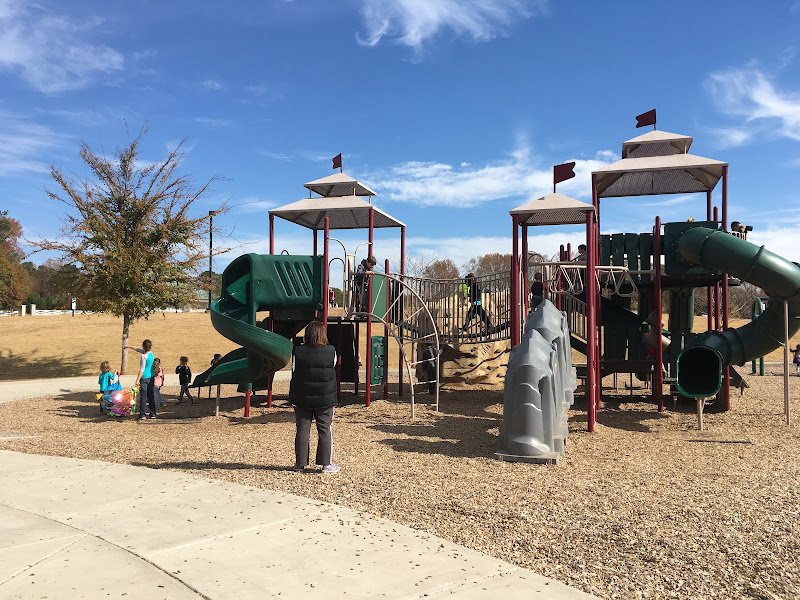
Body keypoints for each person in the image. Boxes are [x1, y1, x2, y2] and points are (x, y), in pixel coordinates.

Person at [289, 320, 339, 474]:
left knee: (302, 429)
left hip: (302, 396)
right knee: (324, 429)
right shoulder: (331, 351)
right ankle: (326, 464)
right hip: (325, 397)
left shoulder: (298, 351)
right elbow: (333, 366)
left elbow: (294, 369)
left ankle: (300, 464)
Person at [124, 339, 155, 419]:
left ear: (143, 346)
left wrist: (137, 379)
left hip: (144, 378)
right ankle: (153, 413)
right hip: (151, 377)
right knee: (151, 395)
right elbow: (138, 349)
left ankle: (142, 414)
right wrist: (128, 346)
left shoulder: (143, 356)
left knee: (143, 396)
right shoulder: (151, 354)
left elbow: (142, 369)